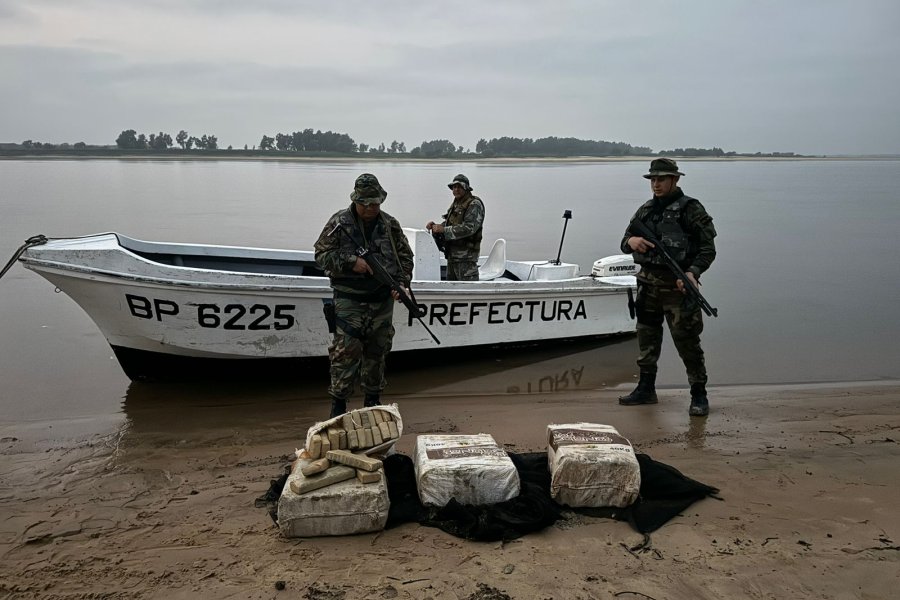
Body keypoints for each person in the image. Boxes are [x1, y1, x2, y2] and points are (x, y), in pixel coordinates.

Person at [618, 158, 717, 416]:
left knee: (687, 343)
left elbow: (708, 250)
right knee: (647, 340)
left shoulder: (691, 209)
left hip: (678, 287)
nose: (656, 184)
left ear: (675, 179)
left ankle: (699, 394)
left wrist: (693, 273)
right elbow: (624, 240)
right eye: (653, 179)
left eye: (661, 179)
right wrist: (633, 242)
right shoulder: (646, 210)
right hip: (648, 287)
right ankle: (646, 389)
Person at [314, 173, 414, 419]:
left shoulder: (390, 225)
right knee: (345, 354)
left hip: (382, 301)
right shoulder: (339, 222)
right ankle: (338, 409)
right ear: (355, 200)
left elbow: (405, 258)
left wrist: (402, 284)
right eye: (365, 203)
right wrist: (351, 262)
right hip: (349, 299)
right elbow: (320, 256)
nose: (370, 208)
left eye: (375, 203)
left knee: (377, 352)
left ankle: (372, 403)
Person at [425, 174, 485, 281]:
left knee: (468, 293)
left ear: (466, 188)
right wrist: (436, 226)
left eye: (459, 187)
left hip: (466, 259)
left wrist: (444, 230)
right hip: (452, 256)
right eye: (454, 187)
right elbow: (451, 224)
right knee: (451, 289)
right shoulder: (456, 203)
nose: (456, 189)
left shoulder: (474, 204)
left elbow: (469, 228)